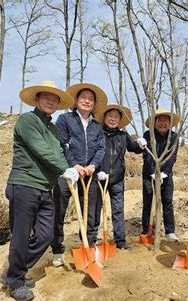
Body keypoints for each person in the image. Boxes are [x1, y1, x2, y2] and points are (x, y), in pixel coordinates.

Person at [1, 80, 79, 301]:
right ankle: (16, 280)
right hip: (25, 184)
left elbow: (59, 153)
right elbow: (41, 150)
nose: (50, 101)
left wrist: (71, 168)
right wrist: (64, 168)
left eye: (54, 99)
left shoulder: (53, 129)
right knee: (21, 235)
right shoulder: (27, 121)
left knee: (46, 235)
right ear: (36, 99)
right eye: (46, 97)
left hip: (46, 187)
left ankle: (14, 271)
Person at [50, 83, 107, 267]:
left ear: (94, 104)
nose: (87, 101)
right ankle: (57, 250)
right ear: (76, 100)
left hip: (89, 174)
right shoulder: (65, 119)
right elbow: (61, 144)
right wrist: (73, 165)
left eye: (90, 99)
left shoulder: (97, 126)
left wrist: (92, 166)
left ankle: (88, 246)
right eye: (83, 98)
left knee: (90, 213)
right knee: (59, 210)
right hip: (67, 173)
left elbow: (101, 148)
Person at [94, 104, 147, 250]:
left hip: (117, 179)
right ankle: (91, 240)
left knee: (118, 210)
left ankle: (120, 241)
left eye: (116, 117)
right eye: (110, 116)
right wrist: (97, 171)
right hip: (99, 178)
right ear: (104, 117)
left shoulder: (123, 136)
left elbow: (133, 148)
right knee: (95, 209)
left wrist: (140, 145)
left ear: (120, 120)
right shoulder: (98, 133)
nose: (113, 119)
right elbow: (92, 153)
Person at [142, 108, 180, 242]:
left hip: (166, 175)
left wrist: (164, 173)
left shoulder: (174, 137)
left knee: (167, 202)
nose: (162, 123)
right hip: (149, 174)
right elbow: (147, 156)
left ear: (170, 123)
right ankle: (147, 231)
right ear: (154, 123)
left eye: (165, 120)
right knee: (148, 203)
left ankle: (170, 231)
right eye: (159, 120)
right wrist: (153, 173)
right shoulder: (148, 135)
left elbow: (172, 157)